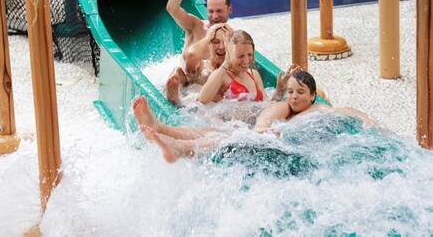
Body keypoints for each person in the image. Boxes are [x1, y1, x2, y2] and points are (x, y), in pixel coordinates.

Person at [134, 71, 372, 163]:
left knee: (221, 136)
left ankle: (176, 143)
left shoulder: (317, 109)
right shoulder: (284, 108)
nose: (294, 97)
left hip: (269, 145)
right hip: (261, 141)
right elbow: (264, 122)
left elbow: (345, 111)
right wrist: (263, 132)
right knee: (217, 135)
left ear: (312, 96)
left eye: (300, 92)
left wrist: (369, 122)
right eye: (291, 92)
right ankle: (164, 131)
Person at [165, 0, 233, 104]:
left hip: (206, 93)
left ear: (229, 10)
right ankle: (175, 99)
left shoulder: (232, 37)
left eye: (219, 11)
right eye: (211, 11)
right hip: (184, 84)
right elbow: (172, 8)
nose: (214, 16)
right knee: (175, 74)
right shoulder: (195, 25)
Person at [197, 30, 295, 104]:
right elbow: (202, 100)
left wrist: (279, 90)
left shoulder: (254, 74)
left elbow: (265, 107)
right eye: (240, 56)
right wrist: (226, 62)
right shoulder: (222, 76)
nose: (246, 60)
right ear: (229, 54)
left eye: (249, 55)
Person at [167, 24, 232, 105]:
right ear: (209, 44)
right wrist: (208, 38)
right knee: (178, 72)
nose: (222, 47)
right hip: (195, 107)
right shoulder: (201, 67)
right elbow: (191, 55)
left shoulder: (239, 67)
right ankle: (176, 101)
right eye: (216, 42)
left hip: (222, 111)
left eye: (226, 42)